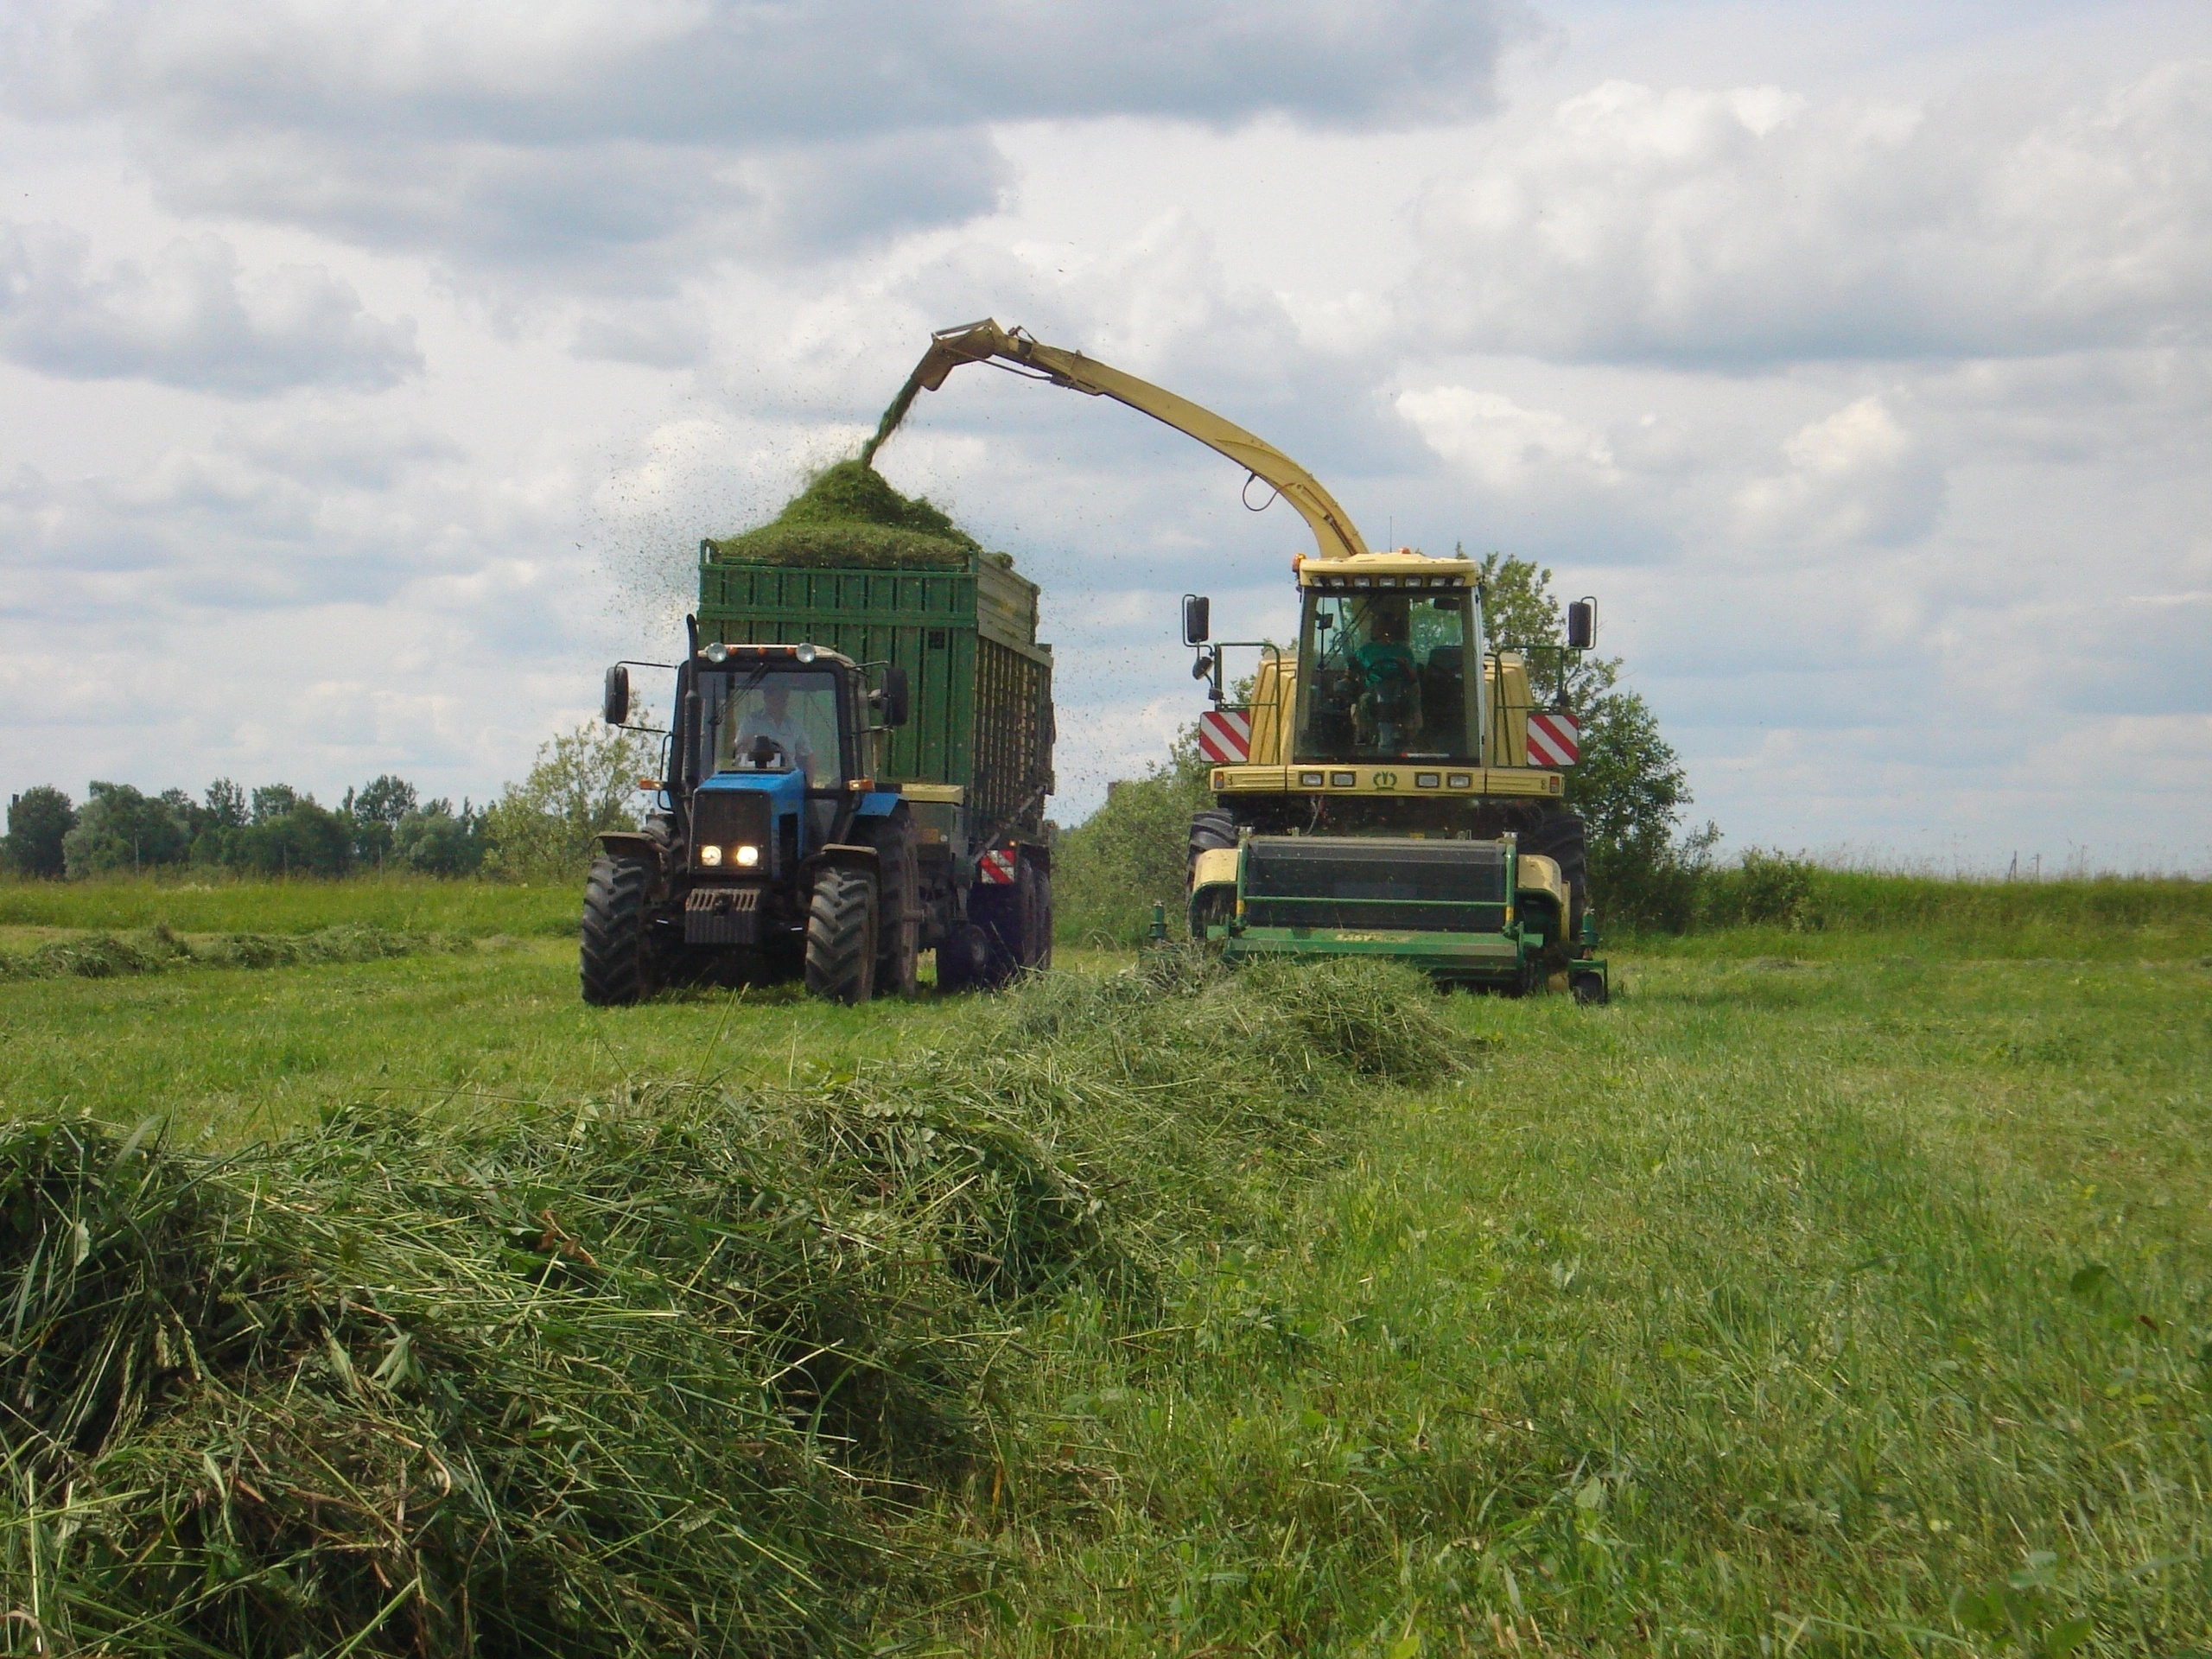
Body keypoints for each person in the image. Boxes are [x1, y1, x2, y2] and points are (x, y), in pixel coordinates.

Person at [1351, 599, 1422, 754]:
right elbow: (1351, 673)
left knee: (1411, 698)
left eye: (1385, 624)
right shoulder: (1365, 651)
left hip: (1400, 692)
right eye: (1378, 624)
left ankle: (1411, 736)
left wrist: (1404, 665)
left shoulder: (1403, 651)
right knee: (1364, 701)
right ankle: (1366, 737)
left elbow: (1413, 676)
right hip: (1372, 692)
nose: (1382, 628)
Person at [734, 683, 817, 782]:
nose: (780, 702)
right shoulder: (751, 722)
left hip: (788, 780)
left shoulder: (794, 726)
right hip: (756, 777)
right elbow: (740, 750)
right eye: (776, 698)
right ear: (766, 697)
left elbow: (808, 756)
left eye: (783, 698)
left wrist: (809, 787)